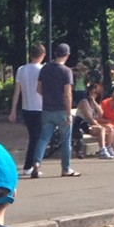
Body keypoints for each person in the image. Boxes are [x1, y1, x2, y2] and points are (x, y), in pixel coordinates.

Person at [35, 44, 79, 179]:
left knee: (43, 138)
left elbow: (38, 89)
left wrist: (48, 97)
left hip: (47, 109)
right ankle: (66, 168)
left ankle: (36, 162)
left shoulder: (45, 69)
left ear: (55, 54)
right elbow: (68, 94)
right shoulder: (66, 71)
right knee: (66, 140)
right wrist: (68, 112)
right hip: (61, 110)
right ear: (67, 55)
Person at [76, 80, 106, 158]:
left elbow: (101, 114)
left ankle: (107, 149)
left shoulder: (96, 104)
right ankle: (103, 150)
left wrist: (94, 103)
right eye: (91, 93)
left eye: (95, 93)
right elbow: (88, 118)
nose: (92, 95)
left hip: (90, 125)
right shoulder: (84, 102)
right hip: (82, 125)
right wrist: (99, 125)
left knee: (110, 129)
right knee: (101, 129)